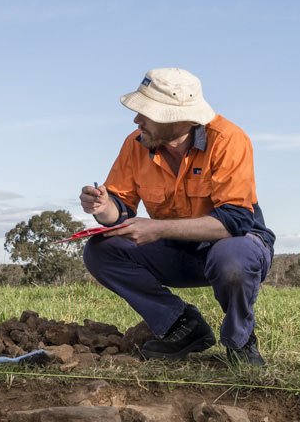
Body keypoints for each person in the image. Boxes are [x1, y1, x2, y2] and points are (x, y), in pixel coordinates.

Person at [80, 68, 275, 367]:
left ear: (177, 118)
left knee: (233, 258)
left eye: (145, 113)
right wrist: (103, 207)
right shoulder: (135, 144)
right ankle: (182, 325)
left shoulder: (228, 139)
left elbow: (234, 222)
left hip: (234, 247)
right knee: (101, 250)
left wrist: (156, 229)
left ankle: (240, 341)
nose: (136, 120)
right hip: (177, 252)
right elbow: (120, 209)